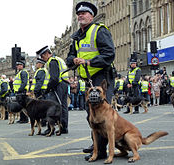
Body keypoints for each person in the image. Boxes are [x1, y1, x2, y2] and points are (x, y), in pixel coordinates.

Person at [66, 1, 115, 161]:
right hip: (88, 79)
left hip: (102, 77)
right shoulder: (77, 36)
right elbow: (69, 57)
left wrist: (88, 62)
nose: (81, 15)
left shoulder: (99, 30)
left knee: (103, 113)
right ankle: (97, 143)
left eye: (84, 13)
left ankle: (100, 150)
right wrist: (73, 60)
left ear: (91, 16)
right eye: (79, 13)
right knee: (91, 114)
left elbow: (109, 54)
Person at [36, 45, 69, 135]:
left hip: (57, 86)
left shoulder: (52, 61)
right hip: (64, 84)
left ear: (47, 53)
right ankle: (63, 128)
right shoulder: (58, 59)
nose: (43, 59)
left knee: (52, 108)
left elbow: (54, 78)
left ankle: (50, 129)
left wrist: (47, 89)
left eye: (43, 56)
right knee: (63, 107)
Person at [13, 59, 29, 123]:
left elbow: (24, 82)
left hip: (22, 91)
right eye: (17, 65)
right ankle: (22, 118)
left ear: (22, 65)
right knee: (20, 106)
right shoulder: (20, 72)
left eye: (18, 65)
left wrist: (20, 89)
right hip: (19, 91)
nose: (17, 66)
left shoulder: (23, 72)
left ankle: (25, 119)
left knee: (23, 106)